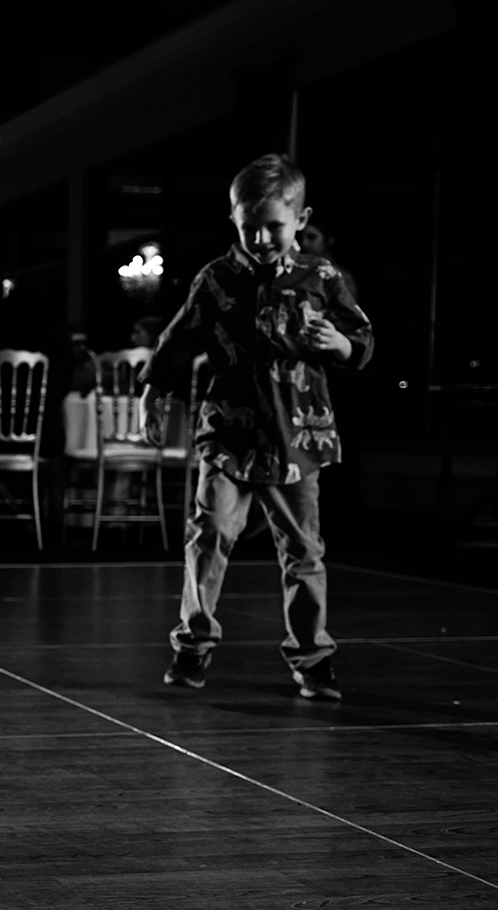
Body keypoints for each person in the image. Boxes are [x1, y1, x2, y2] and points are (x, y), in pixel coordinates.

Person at [143, 153, 372, 701]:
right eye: (251, 228)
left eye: (275, 226)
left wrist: (340, 345)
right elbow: (178, 339)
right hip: (228, 433)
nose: (264, 238)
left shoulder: (322, 277)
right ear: (235, 222)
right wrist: (157, 388)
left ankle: (312, 657)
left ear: (300, 219)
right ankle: (192, 645)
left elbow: (360, 337)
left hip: (298, 436)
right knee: (211, 534)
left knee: (303, 549)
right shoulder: (216, 278)